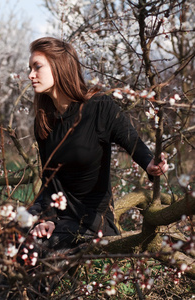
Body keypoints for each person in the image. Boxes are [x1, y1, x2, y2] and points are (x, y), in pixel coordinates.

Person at [26, 37, 168, 251]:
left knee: (34, 248)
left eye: (37, 67)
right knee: (8, 233)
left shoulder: (99, 107)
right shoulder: (44, 121)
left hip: (91, 221)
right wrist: (44, 219)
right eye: (29, 68)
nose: (30, 75)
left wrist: (150, 164)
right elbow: (49, 181)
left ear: (60, 67)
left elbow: (132, 142)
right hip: (58, 216)